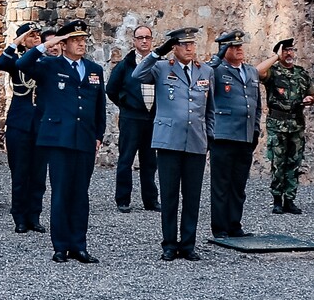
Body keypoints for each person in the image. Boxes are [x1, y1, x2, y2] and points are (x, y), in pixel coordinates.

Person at [22, 22, 107, 262]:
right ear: (64, 43)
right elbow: (22, 64)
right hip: (59, 139)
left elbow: (99, 105)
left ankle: (78, 244)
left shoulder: (93, 69)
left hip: (85, 138)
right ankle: (60, 245)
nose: (81, 43)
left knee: (81, 194)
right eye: (75, 39)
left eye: (83, 39)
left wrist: (98, 134)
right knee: (61, 193)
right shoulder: (51, 65)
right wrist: (45, 45)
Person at [132, 28, 212, 260]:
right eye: (184, 45)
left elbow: (210, 109)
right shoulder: (161, 67)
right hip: (168, 141)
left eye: (192, 44)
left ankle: (188, 244)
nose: (189, 48)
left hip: (196, 140)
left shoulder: (205, 70)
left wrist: (210, 137)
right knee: (169, 196)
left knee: (192, 195)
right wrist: (158, 52)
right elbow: (138, 75)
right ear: (174, 48)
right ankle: (169, 243)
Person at [207, 31, 263, 238]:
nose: (239, 49)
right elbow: (204, 73)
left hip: (245, 135)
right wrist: (217, 57)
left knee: (239, 184)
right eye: (232, 47)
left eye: (240, 46)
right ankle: (220, 227)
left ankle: (234, 224)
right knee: (221, 184)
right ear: (223, 50)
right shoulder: (217, 71)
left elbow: (257, 104)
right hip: (223, 135)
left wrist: (255, 128)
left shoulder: (250, 71)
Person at [0, 22, 46, 232]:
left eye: (38, 35)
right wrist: (17, 41)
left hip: (41, 124)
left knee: (38, 174)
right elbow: (1, 62)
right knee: (20, 172)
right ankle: (19, 217)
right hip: (19, 123)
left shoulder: (45, 62)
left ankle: (34, 216)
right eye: (31, 35)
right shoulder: (16, 62)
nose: (36, 39)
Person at [259, 38, 314, 216]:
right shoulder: (273, 72)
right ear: (279, 54)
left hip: (296, 124)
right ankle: (277, 200)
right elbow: (258, 72)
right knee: (278, 163)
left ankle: (289, 200)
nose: (290, 54)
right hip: (277, 124)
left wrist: (310, 100)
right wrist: (275, 57)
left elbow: (312, 94)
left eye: (292, 50)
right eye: (286, 51)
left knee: (294, 163)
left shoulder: (301, 73)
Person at [105, 24, 159, 212]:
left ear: (152, 40)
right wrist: (126, 103)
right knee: (126, 159)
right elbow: (111, 89)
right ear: (134, 41)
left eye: (147, 37)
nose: (144, 41)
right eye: (140, 37)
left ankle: (150, 200)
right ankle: (123, 199)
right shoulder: (124, 65)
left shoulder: (159, 64)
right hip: (131, 118)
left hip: (152, 119)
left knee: (150, 162)